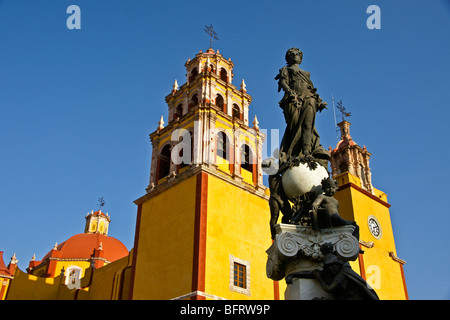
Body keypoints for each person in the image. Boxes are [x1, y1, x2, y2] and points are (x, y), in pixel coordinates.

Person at [275, 48, 329, 165]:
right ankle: (292, 154)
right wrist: (289, 92)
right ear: (288, 58)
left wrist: (319, 102)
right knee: (293, 127)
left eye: (297, 54)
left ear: (300, 58)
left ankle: (306, 153)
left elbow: (311, 88)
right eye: (292, 54)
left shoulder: (306, 73)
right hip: (292, 100)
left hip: (309, 98)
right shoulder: (285, 69)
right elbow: (283, 82)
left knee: (308, 125)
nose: (295, 56)